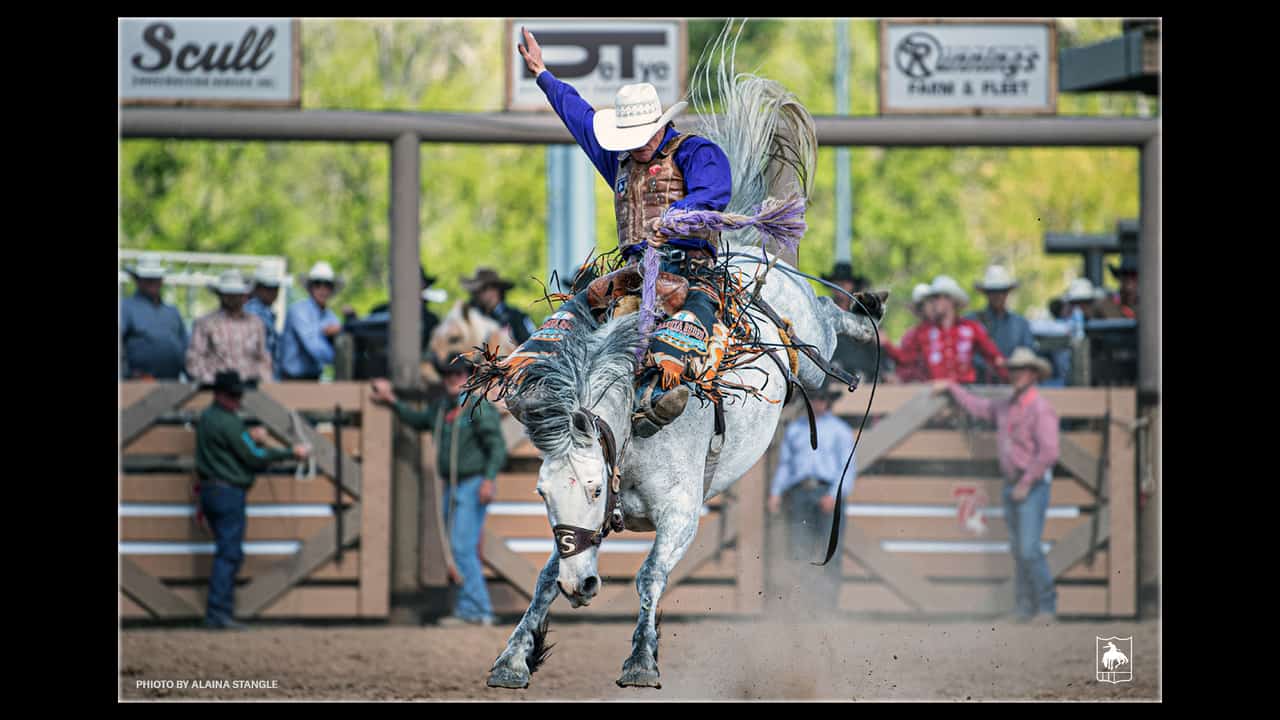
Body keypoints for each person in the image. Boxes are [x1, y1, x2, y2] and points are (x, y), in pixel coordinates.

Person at [510, 27, 733, 438]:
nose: (635, 147)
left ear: (658, 126)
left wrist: (675, 215)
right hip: (634, 274)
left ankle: (656, 397)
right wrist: (543, 75)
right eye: (627, 140)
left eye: (640, 138)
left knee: (680, 333)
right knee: (570, 314)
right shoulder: (621, 161)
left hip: (692, 273)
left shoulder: (694, 152)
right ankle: (537, 383)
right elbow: (579, 118)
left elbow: (714, 193)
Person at [371, 353, 507, 627]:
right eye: (448, 375)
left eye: (458, 374)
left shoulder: (476, 406)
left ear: (468, 377)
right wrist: (392, 402)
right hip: (453, 484)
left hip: (472, 483)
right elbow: (418, 419)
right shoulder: (441, 408)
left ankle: (477, 609)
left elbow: (497, 446)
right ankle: (472, 608)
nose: (452, 380)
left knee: (461, 546)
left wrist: (489, 479)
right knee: (457, 547)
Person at [934, 347, 1060, 622]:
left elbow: (1049, 452)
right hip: (1014, 483)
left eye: (1021, 370)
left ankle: (1046, 606)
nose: (1016, 374)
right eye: (1014, 369)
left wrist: (1026, 482)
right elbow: (978, 406)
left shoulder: (1040, 408)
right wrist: (953, 389)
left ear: (1033, 374)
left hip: (1030, 483)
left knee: (1027, 548)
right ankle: (1027, 607)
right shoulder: (1006, 405)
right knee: (1020, 549)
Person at [194, 370, 309, 629]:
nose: (237, 400)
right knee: (229, 553)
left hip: (211, 490)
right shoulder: (229, 422)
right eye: (234, 395)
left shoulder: (208, 418)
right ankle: (218, 613)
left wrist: (251, 438)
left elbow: (239, 446)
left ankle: (218, 612)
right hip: (228, 492)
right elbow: (253, 456)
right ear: (222, 395)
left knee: (225, 551)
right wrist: (290, 452)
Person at [767, 375, 855, 614]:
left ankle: (827, 607)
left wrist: (835, 495)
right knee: (798, 550)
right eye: (814, 399)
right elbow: (786, 464)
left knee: (830, 553)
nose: (818, 404)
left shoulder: (840, 431)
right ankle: (802, 605)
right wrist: (776, 492)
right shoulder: (795, 430)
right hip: (800, 492)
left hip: (827, 491)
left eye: (822, 399)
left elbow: (847, 467)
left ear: (828, 402)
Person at [892, 275, 1007, 384]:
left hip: (965, 393)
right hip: (934, 394)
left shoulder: (971, 328)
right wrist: (885, 344)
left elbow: (995, 358)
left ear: (950, 300)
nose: (933, 302)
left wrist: (1010, 379)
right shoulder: (922, 331)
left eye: (936, 297)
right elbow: (905, 359)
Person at [186, 270, 274, 386]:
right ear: (220, 295)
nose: (234, 298)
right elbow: (194, 360)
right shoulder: (205, 323)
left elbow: (262, 358)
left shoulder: (256, 323)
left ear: (244, 296)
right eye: (229, 293)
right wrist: (210, 381)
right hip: (216, 388)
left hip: (249, 388)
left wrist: (265, 382)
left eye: (237, 294)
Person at [120, 253, 188, 380]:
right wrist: (127, 374)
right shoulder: (125, 307)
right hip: (136, 384)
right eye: (147, 278)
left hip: (173, 383)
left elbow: (185, 347)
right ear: (137, 280)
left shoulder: (172, 311)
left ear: (162, 280)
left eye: (156, 278)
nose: (152, 282)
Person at [968, 264, 1036, 385]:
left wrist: (1009, 366)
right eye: (993, 291)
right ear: (986, 294)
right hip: (979, 386)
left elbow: (1028, 354)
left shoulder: (1021, 324)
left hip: (1012, 385)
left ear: (1007, 293)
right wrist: (988, 364)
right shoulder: (972, 321)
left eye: (1002, 291)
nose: (997, 296)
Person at [825, 262, 891, 384]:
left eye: (845, 282)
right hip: (832, 374)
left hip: (863, 375)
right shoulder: (824, 310)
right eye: (837, 282)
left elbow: (880, 341)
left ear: (852, 285)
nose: (841, 285)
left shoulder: (864, 311)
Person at [279, 261, 343, 381]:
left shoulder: (330, 316)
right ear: (310, 287)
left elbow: (340, 334)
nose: (322, 289)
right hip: (292, 380)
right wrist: (341, 359)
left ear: (332, 289)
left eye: (327, 285)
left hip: (314, 379)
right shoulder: (299, 310)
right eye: (317, 284)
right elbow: (314, 345)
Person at [462, 267, 534, 346]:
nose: (480, 294)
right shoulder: (472, 318)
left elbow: (531, 344)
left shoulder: (517, 316)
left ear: (497, 290)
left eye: (485, 289)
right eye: (478, 291)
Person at [244, 261, 286, 378]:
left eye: (275, 288)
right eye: (268, 288)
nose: (273, 292)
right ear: (257, 289)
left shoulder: (267, 313)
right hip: (257, 375)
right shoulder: (252, 312)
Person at [1096, 254, 1138, 320]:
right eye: (1125, 278)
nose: (1130, 286)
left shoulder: (1151, 306)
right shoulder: (1107, 305)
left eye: (1134, 278)